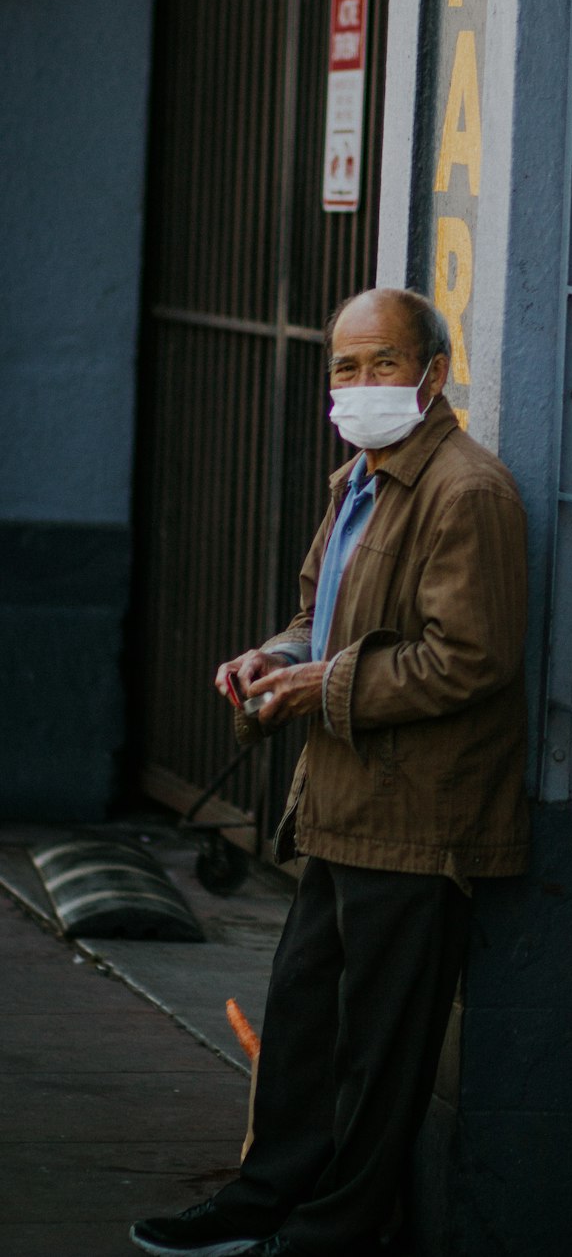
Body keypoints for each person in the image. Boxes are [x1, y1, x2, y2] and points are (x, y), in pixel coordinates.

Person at [131, 287, 530, 1257]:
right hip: (340, 805)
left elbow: (471, 657)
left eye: (382, 364)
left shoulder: (465, 492)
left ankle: (335, 1233)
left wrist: (327, 686)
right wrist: (274, 657)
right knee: (305, 1023)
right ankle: (265, 1199)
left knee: (379, 1052)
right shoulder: (360, 478)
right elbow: (322, 614)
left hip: (419, 818)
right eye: (344, 369)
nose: (359, 385)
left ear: (433, 375)